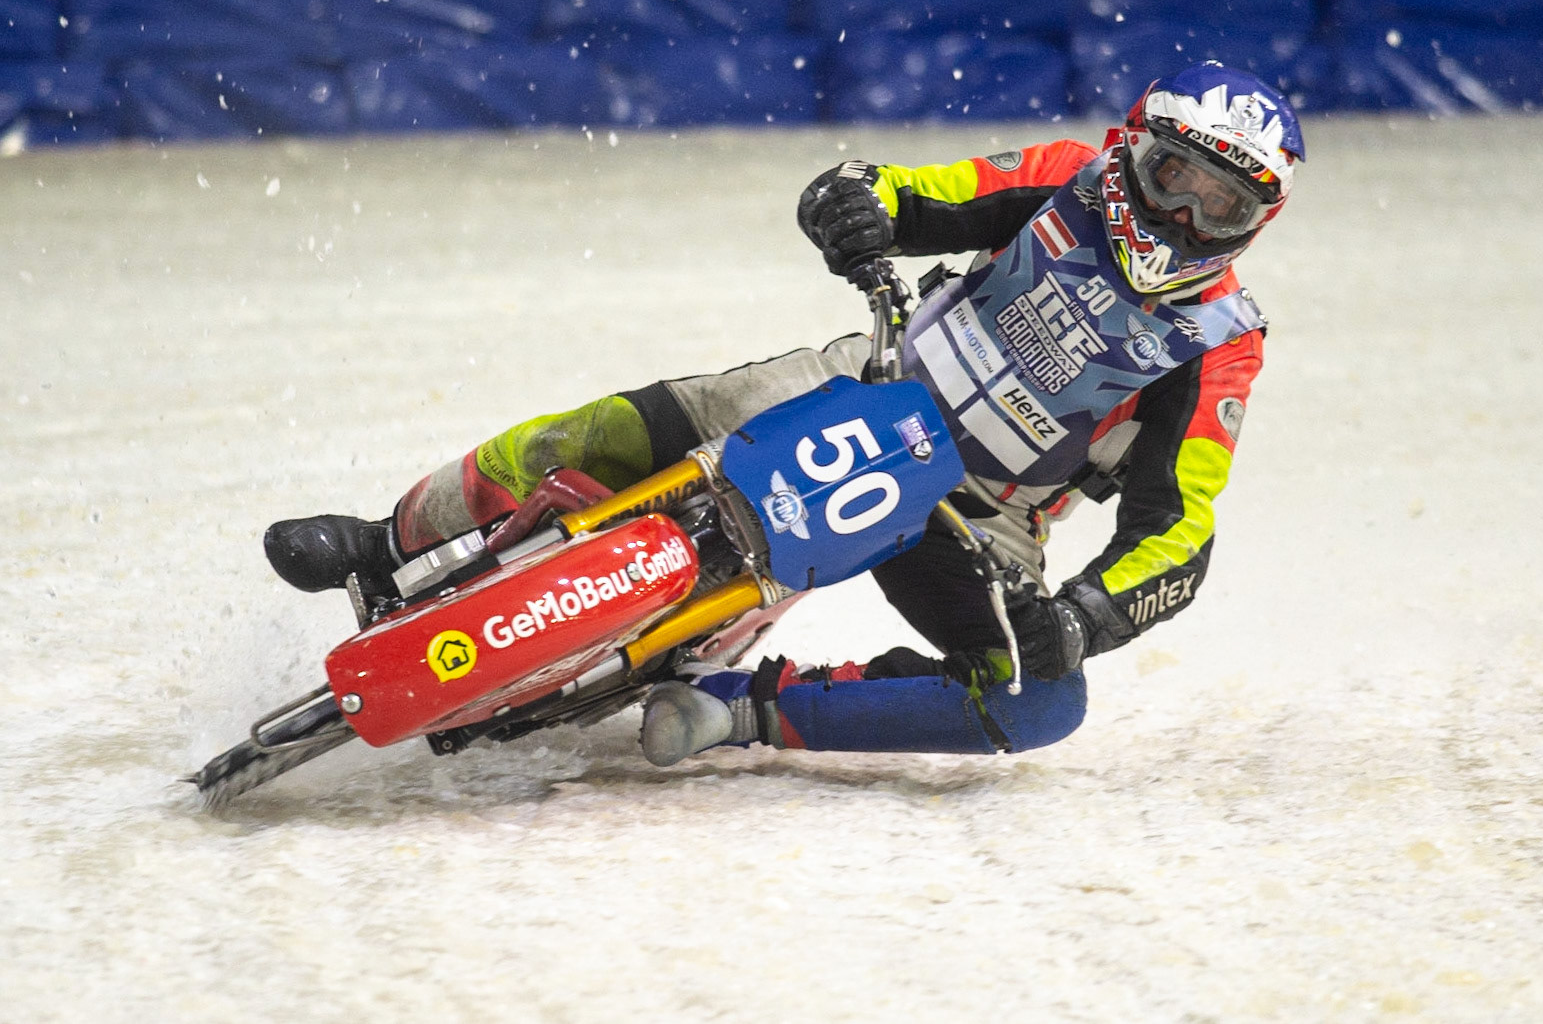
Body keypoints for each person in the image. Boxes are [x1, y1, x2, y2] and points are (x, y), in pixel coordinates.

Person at [264, 60, 1305, 767]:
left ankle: (743, 710)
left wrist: (1077, 617)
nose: (1183, 217)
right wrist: (855, 206)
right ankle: (388, 536)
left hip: (979, 510)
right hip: (868, 378)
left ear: (1255, 225)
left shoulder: (1222, 340)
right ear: (1133, 150)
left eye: (1222, 206)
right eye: (1176, 177)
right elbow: (911, 188)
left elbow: (1178, 526)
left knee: (1040, 701)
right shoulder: (1060, 178)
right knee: (629, 428)